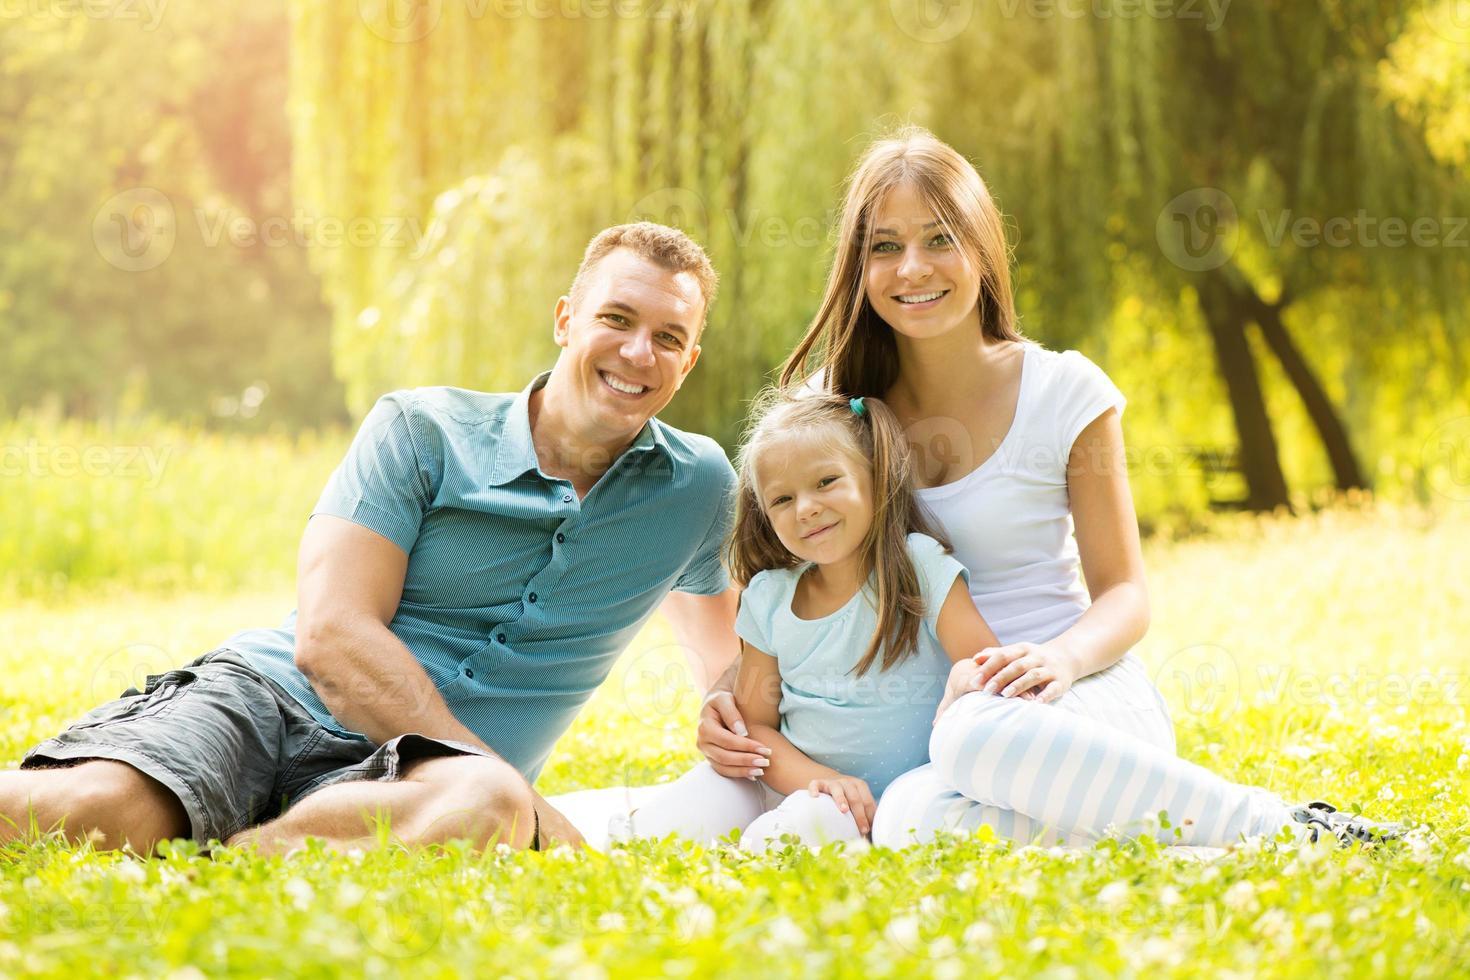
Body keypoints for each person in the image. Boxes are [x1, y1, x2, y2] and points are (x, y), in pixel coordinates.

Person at [694, 127, 1400, 848]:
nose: (913, 268)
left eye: (940, 239)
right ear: (857, 265)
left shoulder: (1065, 392)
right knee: (910, 818)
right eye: (884, 246)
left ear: (982, 248)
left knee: (975, 739)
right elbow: (783, 588)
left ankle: (1290, 828)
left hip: (1072, 698)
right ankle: (1204, 854)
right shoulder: (827, 409)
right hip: (932, 733)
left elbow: (1126, 594)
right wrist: (727, 697)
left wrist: (1059, 659)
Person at [0, 222, 741, 857]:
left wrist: (728, 705)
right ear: (565, 320)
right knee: (92, 811)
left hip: (423, 780)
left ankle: (230, 861)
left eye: (668, 338)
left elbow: (732, 659)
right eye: (617, 319)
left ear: (689, 361)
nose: (640, 353)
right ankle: (206, 826)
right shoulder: (424, 430)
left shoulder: (698, 488)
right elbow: (330, 636)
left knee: (486, 807)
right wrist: (524, 791)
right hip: (271, 705)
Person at [608, 389, 1006, 849]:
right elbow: (757, 728)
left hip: (887, 803)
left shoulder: (919, 566)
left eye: (825, 482)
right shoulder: (769, 597)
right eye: (781, 499)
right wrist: (823, 778)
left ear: (874, 477)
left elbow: (983, 668)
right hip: (795, 782)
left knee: (782, 842)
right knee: (656, 837)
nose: (806, 508)